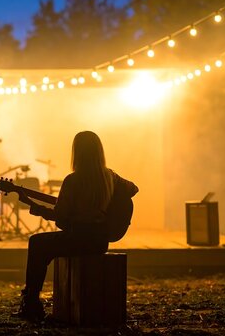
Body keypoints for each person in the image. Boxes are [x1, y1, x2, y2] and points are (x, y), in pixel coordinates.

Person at [14, 130, 139, 321]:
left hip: (78, 240)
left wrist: (35, 206)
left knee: (37, 243)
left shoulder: (73, 180)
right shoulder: (110, 177)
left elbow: (60, 216)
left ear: (77, 152)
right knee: (45, 244)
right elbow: (133, 189)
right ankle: (31, 302)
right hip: (100, 241)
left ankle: (31, 303)